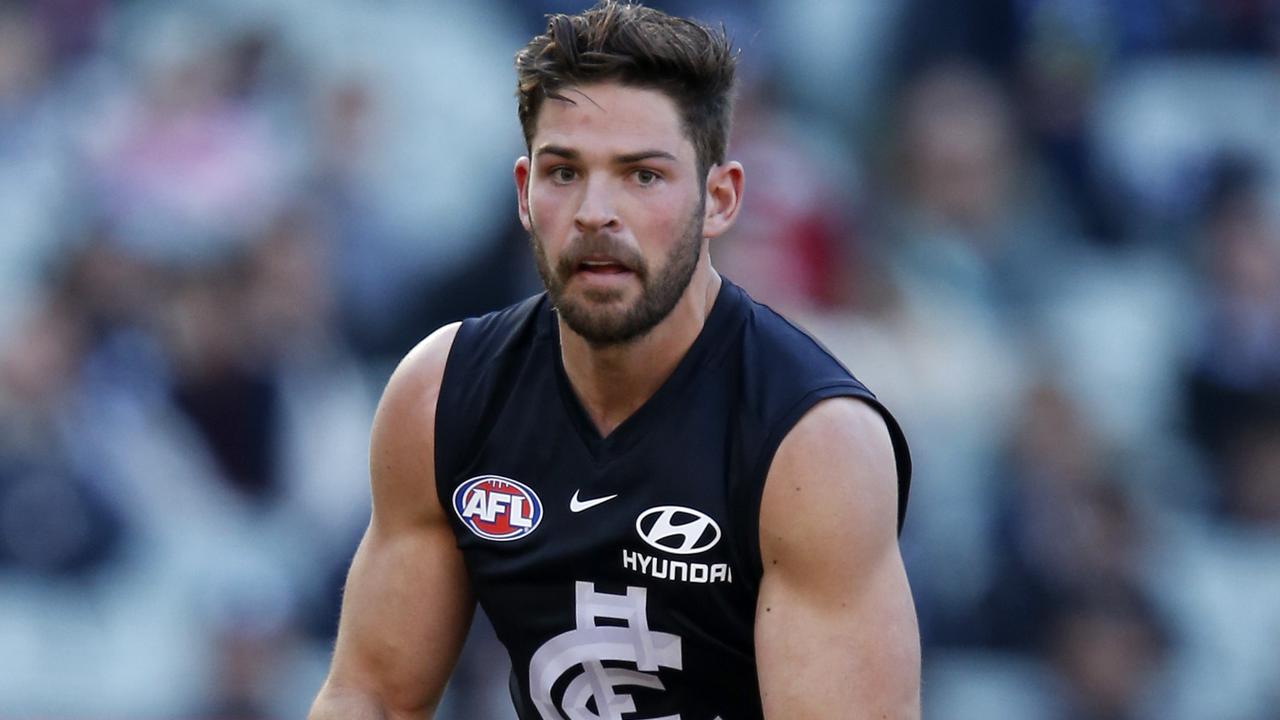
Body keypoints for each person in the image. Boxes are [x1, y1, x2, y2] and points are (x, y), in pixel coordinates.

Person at [308, 2, 920, 718]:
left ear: (719, 200)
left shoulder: (812, 444)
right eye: (564, 172)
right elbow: (371, 697)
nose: (596, 211)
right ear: (523, 194)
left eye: (643, 176)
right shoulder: (442, 395)